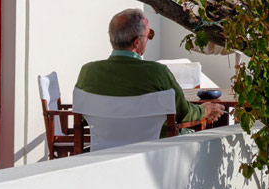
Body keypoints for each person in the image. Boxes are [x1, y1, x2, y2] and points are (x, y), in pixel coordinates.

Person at [73, 8, 222, 129]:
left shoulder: (87, 72)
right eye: (149, 35)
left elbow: (85, 116)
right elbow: (183, 113)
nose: (149, 39)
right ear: (137, 42)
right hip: (154, 151)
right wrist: (205, 110)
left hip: (104, 150)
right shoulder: (157, 72)